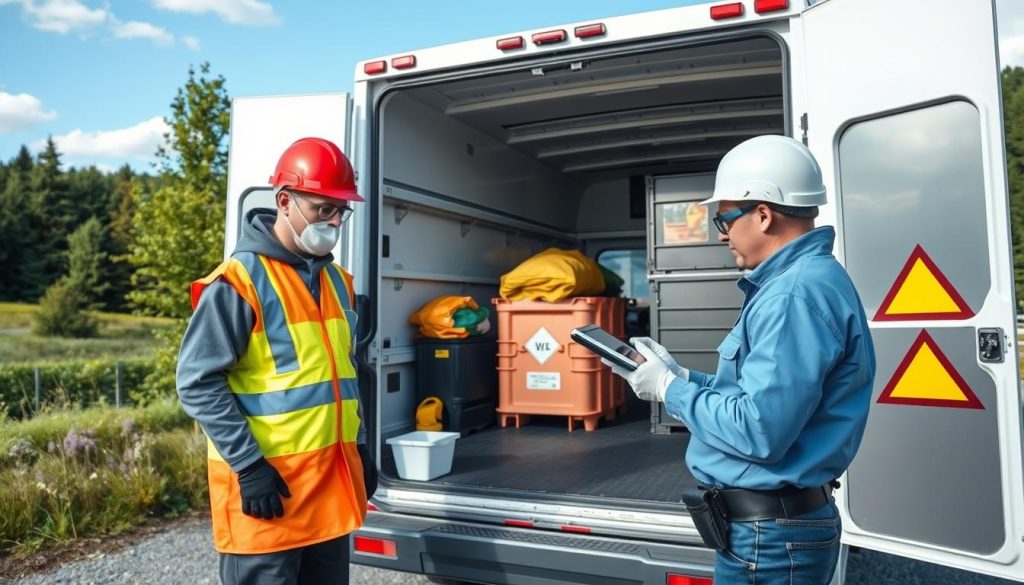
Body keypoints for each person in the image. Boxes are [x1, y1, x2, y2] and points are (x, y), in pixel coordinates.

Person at [605, 135, 875, 584]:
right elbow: (757, 396)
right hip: (769, 530)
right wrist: (680, 376)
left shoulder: (792, 294)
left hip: (767, 538)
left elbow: (759, 429)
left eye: (725, 218)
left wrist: (670, 391)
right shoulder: (801, 282)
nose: (721, 233)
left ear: (764, 214)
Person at [177, 137, 377, 585]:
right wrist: (248, 466)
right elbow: (196, 382)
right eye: (322, 208)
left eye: (340, 211)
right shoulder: (238, 282)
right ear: (285, 201)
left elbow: (345, 377)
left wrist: (359, 448)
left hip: (327, 494)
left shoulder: (338, 283)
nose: (333, 221)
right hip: (268, 497)